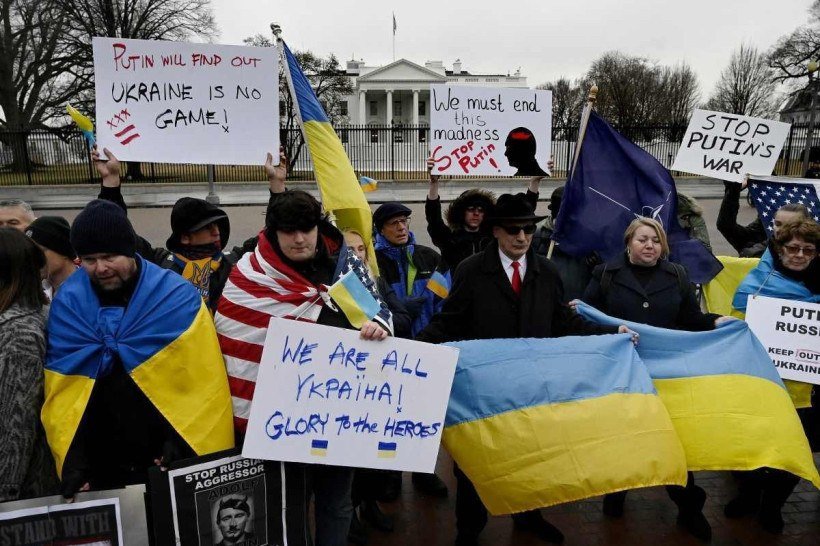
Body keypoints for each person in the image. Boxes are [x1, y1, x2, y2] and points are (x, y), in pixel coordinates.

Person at [416, 193, 630, 546]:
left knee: (531, 457)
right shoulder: (471, 270)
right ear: (497, 231)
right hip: (483, 390)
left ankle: (529, 516)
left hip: (531, 388)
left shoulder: (546, 271)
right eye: (514, 229)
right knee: (473, 466)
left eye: (529, 229)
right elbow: (448, 321)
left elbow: (564, 320)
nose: (522, 237)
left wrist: (611, 333)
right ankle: (468, 530)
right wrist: (415, 347)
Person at [215, 189, 391, 546]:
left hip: (340, 414)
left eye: (306, 229)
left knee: (337, 502)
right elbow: (233, 339)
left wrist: (380, 327)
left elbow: (376, 312)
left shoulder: (344, 266)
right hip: (282, 423)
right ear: (272, 232)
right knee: (287, 505)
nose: (299, 239)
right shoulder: (250, 275)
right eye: (288, 231)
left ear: (317, 227)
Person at [43, 199, 234, 499]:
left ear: (130, 250)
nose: (101, 268)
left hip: (164, 457)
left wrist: (179, 442)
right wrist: (74, 462)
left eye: (109, 256)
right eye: (89, 259)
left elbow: (201, 382)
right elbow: (63, 393)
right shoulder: (68, 303)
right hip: (102, 463)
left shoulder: (176, 297)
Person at [581, 217, 734, 542]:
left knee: (668, 440)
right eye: (642, 240)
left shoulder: (677, 275)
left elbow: (691, 319)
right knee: (623, 437)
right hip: (622, 373)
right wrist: (613, 331)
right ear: (628, 244)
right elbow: (586, 319)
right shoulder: (605, 274)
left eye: (655, 240)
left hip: (665, 375)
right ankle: (618, 491)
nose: (649, 246)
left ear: (662, 245)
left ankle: (689, 504)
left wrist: (716, 321)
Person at [92, 147, 285, 309]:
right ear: (185, 237)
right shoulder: (160, 266)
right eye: (206, 227)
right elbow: (115, 232)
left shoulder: (233, 264)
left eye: (217, 225)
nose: (216, 231)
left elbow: (275, 235)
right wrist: (110, 181)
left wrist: (277, 184)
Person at [729, 219, 820, 534]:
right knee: (752, 447)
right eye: (793, 248)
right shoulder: (757, 283)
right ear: (780, 249)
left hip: (806, 392)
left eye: (808, 250)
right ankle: (749, 495)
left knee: (796, 451)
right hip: (761, 384)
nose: (799, 255)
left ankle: (773, 506)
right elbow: (736, 330)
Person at [0, 228, 58, 501]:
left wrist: (5, 494)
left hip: (23, 492)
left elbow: (16, 425)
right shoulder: (30, 316)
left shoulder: (18, 333)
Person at [424, 156, 546, 270]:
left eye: (481, 210)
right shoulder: (450, 239)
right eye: (471, 209)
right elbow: (434, 221)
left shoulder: (493, 237)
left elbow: (522, 214)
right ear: (461, 212)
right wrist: (434, 183)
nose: (476, 213)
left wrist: (534, 182)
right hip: (458, 290)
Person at [531, 186, 598, 301]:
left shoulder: (590, 240)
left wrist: (596, 264)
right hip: (547, 303)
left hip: (577, 307)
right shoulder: (538, 237)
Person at [25, 216, 78, 297]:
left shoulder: (90, 289)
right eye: (29, 252)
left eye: (40, 251)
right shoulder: (32, 291)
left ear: (63, 251)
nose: (33, 258)